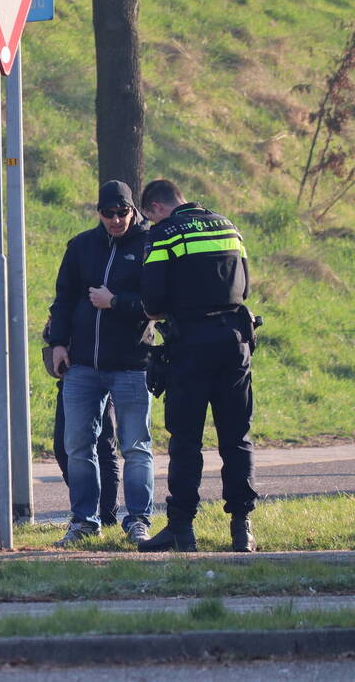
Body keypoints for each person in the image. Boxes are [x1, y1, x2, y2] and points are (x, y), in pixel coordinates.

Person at [137, 179, 258, 553]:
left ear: (155, 207)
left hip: (191, 347)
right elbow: (246, 288)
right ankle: (242, 529)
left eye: (147, 215)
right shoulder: (227, 226)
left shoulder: (164, 235)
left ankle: (181, 529)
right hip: (235, 344)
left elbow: (153, 304)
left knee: (187, 441)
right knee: (236, 438)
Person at [47, 180, 155, 547]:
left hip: (131, 364)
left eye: (122, 213)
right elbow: (62, 299)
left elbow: (156, 302)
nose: (115, 220)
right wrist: (58, 344)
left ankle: (139, 519)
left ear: (133, 210)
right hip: (82, 366)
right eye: (108, 214)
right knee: (77, 445)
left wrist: (115, 301)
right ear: (99, 212)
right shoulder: (81, 246)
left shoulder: (149, 244)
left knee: (135, 447)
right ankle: (84, 521)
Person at [45, 316, 121, 527]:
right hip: (72, 375)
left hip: (104, 369)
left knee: (103, 448)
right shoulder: (73, 288)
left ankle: (107, 517)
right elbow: (54, 327)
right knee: (63, 449)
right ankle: (87, 510)